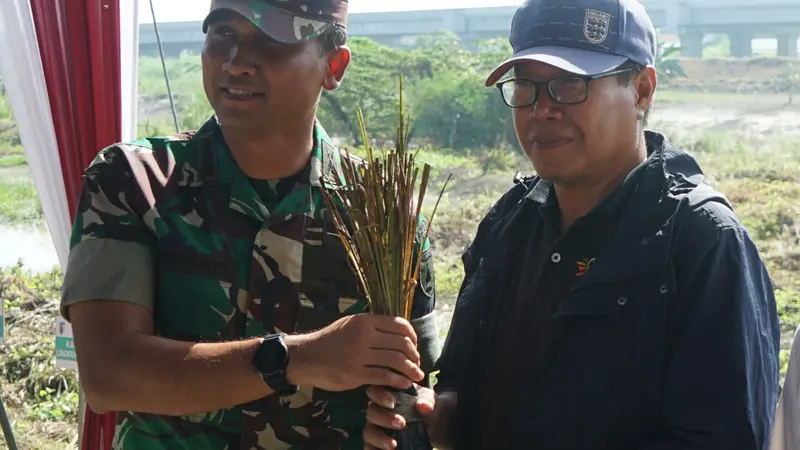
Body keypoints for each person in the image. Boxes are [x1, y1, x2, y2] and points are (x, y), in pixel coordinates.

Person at [363, 0, 782, 449]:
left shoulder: (702, 243)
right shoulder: (509, 224)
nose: (541, 110)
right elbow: (464, 389)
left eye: (569, 85)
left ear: (641, 91)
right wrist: (431, 417)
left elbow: (725, 438)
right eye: (526, 87)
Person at [59, 0, 441, 448]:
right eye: (223, 34)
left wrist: (402, 417)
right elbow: (109, 376)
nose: (236, 63)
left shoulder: (383, 213)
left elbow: (417, 385)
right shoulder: (135, 181)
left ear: (333, 66)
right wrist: (298, 358)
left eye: (273, 40)